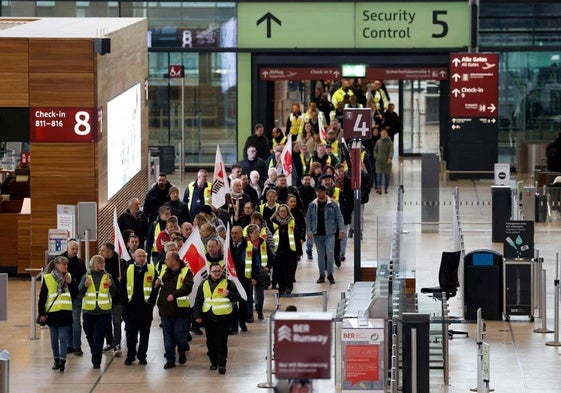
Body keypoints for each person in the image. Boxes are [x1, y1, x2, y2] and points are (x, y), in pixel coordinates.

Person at [193, 262, 241, 374]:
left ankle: (222, 364)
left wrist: (229, 293)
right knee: (210, 341)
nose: (217, 273)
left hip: (223, 317)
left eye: (219, 271)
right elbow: (198, 300)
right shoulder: (204, 283)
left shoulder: (228, 283)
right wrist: (197, 315)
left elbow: (238, 298)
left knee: (222, 342)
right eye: (214, 271)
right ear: (210, 272)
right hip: (208, 317)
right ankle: (213, 363)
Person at [38, 256, 78, 373]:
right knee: (54, 338)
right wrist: (41, 313)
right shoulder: (48, 278)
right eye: (63, 264)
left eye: (66, 264)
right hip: (52, 313)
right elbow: (42, 297)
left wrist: (70, 284)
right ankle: (56, 359)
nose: (66, 266)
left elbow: (76, 294)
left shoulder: (69, 277)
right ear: (56, 265)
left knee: (63, 337)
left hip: (65, 312)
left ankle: (62, 360)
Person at [155, 251, 194, 369]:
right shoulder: (165, 271)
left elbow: (187, 288)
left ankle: (182, 352)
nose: (165, 261)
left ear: (173, 260)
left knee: (180, 336)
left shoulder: (186, 272)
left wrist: (174, 294)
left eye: (167, 259)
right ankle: (170, 360)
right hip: (165, 309)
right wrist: (157, 281)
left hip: (180, 310)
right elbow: (160, 283)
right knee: (167, 337)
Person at [79, 255, 118, 369]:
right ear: (93, 264)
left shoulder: (108, 276)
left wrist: (111, 286)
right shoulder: (86, 276)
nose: (102, 265)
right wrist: (85, 286)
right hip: (88, 312)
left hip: (103, 313)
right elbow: (80, 293)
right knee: (90, 336)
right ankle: (95, 351)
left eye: (103, 262)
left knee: (99, 337)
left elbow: (115, 293)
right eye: (100, 262)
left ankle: (96, 361)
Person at [120, 249, 157, 366]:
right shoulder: (128, 270)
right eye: (139, 256)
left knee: (144, 334)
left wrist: (151, 302)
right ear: (134, 257)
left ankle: (142, 356)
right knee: (130, 334)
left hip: (145, 309)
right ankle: (130, 356)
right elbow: (122, 288)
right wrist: (125, 302)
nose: (141, 258)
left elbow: (156, 288)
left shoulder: (152, 270)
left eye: (143, 256)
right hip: (130, 309)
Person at [306, 184, 345, 284]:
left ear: (325, 192)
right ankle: (322, 275)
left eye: (321, 191)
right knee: (321, 255)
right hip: (317, 235)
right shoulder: (312, 205)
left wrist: (341, 230)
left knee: (330, 253)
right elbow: (308, 219)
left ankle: (330, 274)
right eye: (317, 191)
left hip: (330, 234)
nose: (319, 193)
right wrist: (309, 231)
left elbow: (339, 217)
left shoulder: (333, 204)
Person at [59, 240, 86, 356]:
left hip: (76, 295)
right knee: (66, 321)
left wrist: (80, 292)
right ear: (67, 248)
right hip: (63, 295)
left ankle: (77, 346)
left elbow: (84, 277)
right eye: (73, 249)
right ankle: (69, 345)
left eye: (76, 249)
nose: (75, 251)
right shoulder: (59, 261)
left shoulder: (80, 262)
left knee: (75, 321)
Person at [99, 243, 125, 356]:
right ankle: (109, 342)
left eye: (103, 250)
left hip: (118, 298)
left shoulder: (121, 263)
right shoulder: (101, 264)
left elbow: (126, 279)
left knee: (117, 321)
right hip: (105, 297)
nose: (101, 252)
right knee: (106, 322)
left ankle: (117, 343)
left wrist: (121, 280)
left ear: (110, 251)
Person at [245, 224, 274, 321]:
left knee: (260, 294)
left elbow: (270, 256)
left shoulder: (263, 242)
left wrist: (268, 267)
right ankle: (249, 314)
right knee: (249, 294)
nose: (258, 234)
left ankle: (260, 310)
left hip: (260, 272)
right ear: (250, 234)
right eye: (255, 232)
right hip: (248, 272)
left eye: (258, 232)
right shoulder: (245, 244)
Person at [270, 204, 298, 294]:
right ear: (278, 212)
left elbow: (296, 236)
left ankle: (288, 287)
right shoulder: (273, 222)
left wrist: (299, 250)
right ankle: (281, 287)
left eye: (284, 211)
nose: (283, 213)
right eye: (281, 211)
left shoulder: (292, 221)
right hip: (277, 249)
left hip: (289, 249)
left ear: (288, 212)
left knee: (289, 269)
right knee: (279, 269)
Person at [230, 225, 250, 333]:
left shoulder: (248, 246)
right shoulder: (227, 246)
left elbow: (255, 262)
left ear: (241, 234)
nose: (234, 235)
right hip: (232, 277)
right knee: (232, 301)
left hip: (244, 277)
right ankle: (233, 325)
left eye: (236, 233)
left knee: (243, 301)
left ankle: (243, 322)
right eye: (232, 233)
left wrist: (254, 276)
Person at [374, 129, 394, 194]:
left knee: (387, 177)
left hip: (387, 163)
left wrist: (390, 158)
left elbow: (391, 151)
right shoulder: (378, 142)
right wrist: (376, 156)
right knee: (378, 176)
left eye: (384, 133)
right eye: (382, 133)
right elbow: (375, 150)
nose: (383, 135)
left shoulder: (390, 142)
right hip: (379, 163)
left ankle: (386, 188)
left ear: (387, 134)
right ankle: (379, 188)